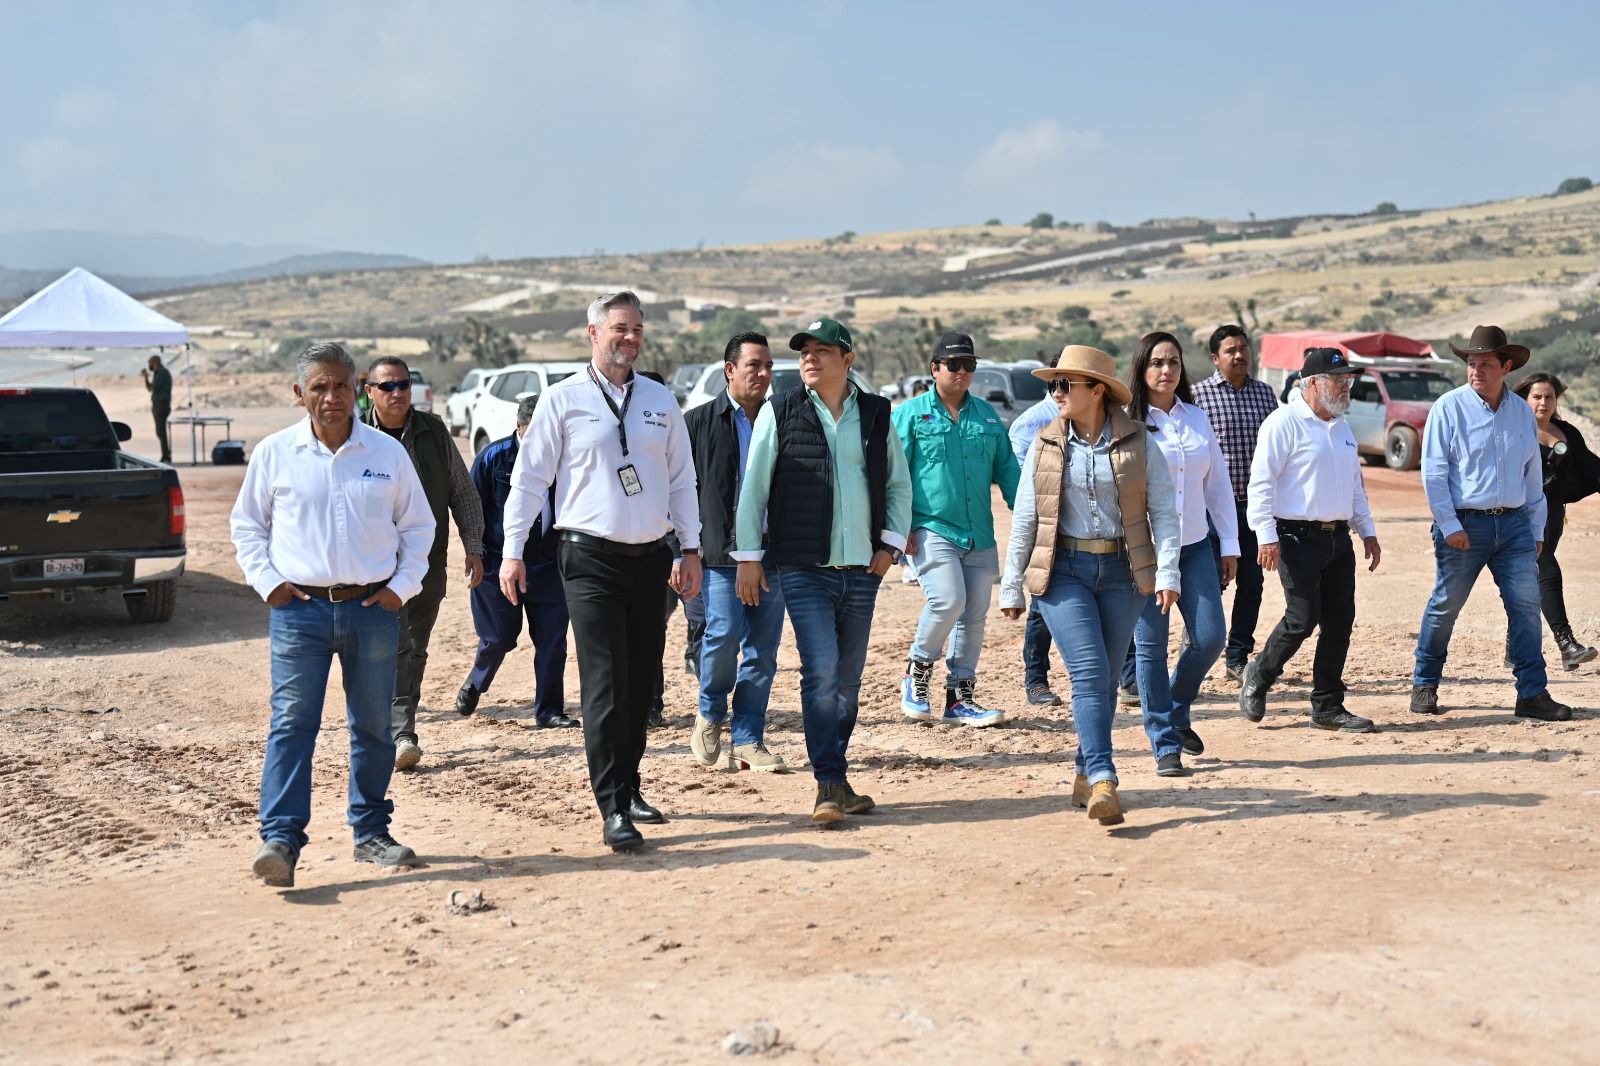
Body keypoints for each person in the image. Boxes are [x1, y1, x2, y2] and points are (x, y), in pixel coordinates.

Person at [499, 291, 701, 852]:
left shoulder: (661, 400)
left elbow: (682, 480)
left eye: (637, 328)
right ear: (593, 334)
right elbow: (529, 482)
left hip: (652, 559)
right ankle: (612, 805)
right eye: (619, 328)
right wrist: (512, 551)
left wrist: (691, 548)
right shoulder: (561, 401)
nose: (630, 337)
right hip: (588, 558)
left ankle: (631, 785)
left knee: (641, 683)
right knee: (606, 681)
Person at [229, 342, 434, 888]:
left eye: (340, 385)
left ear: (357, 388)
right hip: (300, 614)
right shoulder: (275, 453)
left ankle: (371, 833)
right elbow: (247, 526)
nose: (330, 396)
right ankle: (281, 841)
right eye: (318, 386)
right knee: (293, 726)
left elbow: (419, 527)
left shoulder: (386, 454)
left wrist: (400, 589)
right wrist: (270, 585)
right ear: (300, 394)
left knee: (372, 727)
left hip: (372, 609)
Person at [734, 317, 911, 823]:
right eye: (804, 351)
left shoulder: (877, 414)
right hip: (803, 566)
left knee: (850, 680)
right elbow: (755, 490)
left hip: (863, 569)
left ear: (847, 359)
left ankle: (836, 777)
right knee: (822, 671)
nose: (809, 359)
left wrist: (890, 547)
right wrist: (749, 557)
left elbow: (898, 484)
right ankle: (828, 781)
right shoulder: (780, 409)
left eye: (822, 351)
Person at [999, 345, 1181, 827]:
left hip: (1124, 573)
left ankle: (1084, 768)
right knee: (1088, 672)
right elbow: (1025, 519)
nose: (1055, 393)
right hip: (1064, 573)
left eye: (1065, 385)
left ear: (1096, 391)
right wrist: (1012, 584)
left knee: (1102, 679)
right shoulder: (1044, 442)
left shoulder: (1141, 441)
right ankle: (1104, 777)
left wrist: (1167, 573)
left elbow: (1163, 511)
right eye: (1053, 385)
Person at [1410, 326, 1571, 722]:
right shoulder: (1448, 408)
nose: (1476, 370)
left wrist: (1535, 531)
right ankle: (1425, 683)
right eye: (1471, 363)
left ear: (1507, 366)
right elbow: (1433, 473)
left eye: (1485, 363)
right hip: (1464, 524)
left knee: (1526, 607)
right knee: (1446, 605)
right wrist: (1449, 525)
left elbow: (1533, 478)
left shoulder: (1520, 411)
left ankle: (1531, 694)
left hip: (1515, 525)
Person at [1240, 348, 1382, 733]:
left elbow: (1355, 486)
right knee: (1303, 618)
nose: (1346, 387)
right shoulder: (1283, 423)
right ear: (1313, 383)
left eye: (1349, 380)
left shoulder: (1343, 427)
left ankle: (1327, 706)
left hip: (1338, 538)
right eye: (1339, 381)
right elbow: (1262, 484)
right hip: (1295, 537)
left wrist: (1366, 530)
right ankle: (1259, 673)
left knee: (1340, 622)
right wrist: (1265, 537)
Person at [1123, 332, 1238, 775]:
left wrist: (1229, 544)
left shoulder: (1196, 418)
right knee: (1150, 647)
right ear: (1142, 369)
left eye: (1172, 362)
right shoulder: (1127, 420)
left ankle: (1174, 706)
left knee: (1210, 637)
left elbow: (1218, 485)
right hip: (1145, 554)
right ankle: (1163, 741)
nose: (1166, 370)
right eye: (1156, 363)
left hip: (1194, 548)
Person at [364, 356, 485, 771]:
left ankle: (396, 726)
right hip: (372, 565)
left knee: (414, 647)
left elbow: (463, 493)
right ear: (370, 391)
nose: (397, 393)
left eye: (403, 385)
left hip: (425, 563)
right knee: (392, 646)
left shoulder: (433, 431)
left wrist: (474, 546)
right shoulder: (354, 433)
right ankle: (400, 733)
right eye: (387, 387)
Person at [894, 331, 1020, 727]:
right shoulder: (911, 415)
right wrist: (898, 529)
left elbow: (1010, 475)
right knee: (948, 601)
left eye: (970, 365)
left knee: (975, 615)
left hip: (979, 533)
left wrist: (1037, 521)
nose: (962, 372)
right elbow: (892, 476)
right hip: (930, 528)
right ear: (934, 369)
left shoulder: (986, 417)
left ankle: (959, 698)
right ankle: (916, 674)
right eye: (953, 365)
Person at [684, 331, 788, 771]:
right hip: (720, 556)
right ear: (730, 370)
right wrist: (679, 550)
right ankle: (709, 712)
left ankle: (748, 738)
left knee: (763, 651)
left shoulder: (784, 419)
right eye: (754, 366)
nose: (763, 374)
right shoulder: (698, 422)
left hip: (773, 555)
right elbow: (679, 491)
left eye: (768, 367)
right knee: (722, 637)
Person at [457, 395, 578, 729]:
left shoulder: (567, 458)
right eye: (534, 431)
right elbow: (470, 506)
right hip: (497, 563)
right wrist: (474, 552)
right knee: (499, 638)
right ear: (519, 427)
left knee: (553, 642)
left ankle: (550, 710)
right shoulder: (493, 458)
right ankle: (476, 682)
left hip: (550, 563)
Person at [1191, 325, 1278, 683]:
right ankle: (1197, 646)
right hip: (1211, 511)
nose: (1239, 355)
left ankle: (1238, 655)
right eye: (1230, 350)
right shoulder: (1197, 396)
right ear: (1215, 358)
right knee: (1209, 584)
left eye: (1243, 348)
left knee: (1253, 583)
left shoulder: (1265, 395)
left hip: (1255, 509)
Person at [1514, 372, 1600, 669]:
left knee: (1528, 579)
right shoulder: (1515, 431)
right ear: (1524, 398)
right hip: (1520, 515)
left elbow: (1591, 469)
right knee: (1547, 569)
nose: (1543, 402)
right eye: (1536, 396)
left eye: (1549, 396)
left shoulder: (1567, 433)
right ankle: (1566, 643)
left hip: (1552, 515)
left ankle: (1515, 646)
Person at [1007, 351, 1069, 709]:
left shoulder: (1101, 418)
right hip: (1048, 529)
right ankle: (1036, 680)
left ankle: (1125, 677)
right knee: (1042, 606)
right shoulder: (1030, 424)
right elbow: (1023, 490)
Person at [142, 354, 173, 464]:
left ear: (155, 363)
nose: (149, 366)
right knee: (160, 431)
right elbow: (150, 388)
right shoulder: (157, 373)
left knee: (161, 431)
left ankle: (166, 456)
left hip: (161, 405)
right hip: (158, 405)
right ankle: (165, 454)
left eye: (150, 363)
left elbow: (154, 388)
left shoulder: (162, 373)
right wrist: (146, 377)